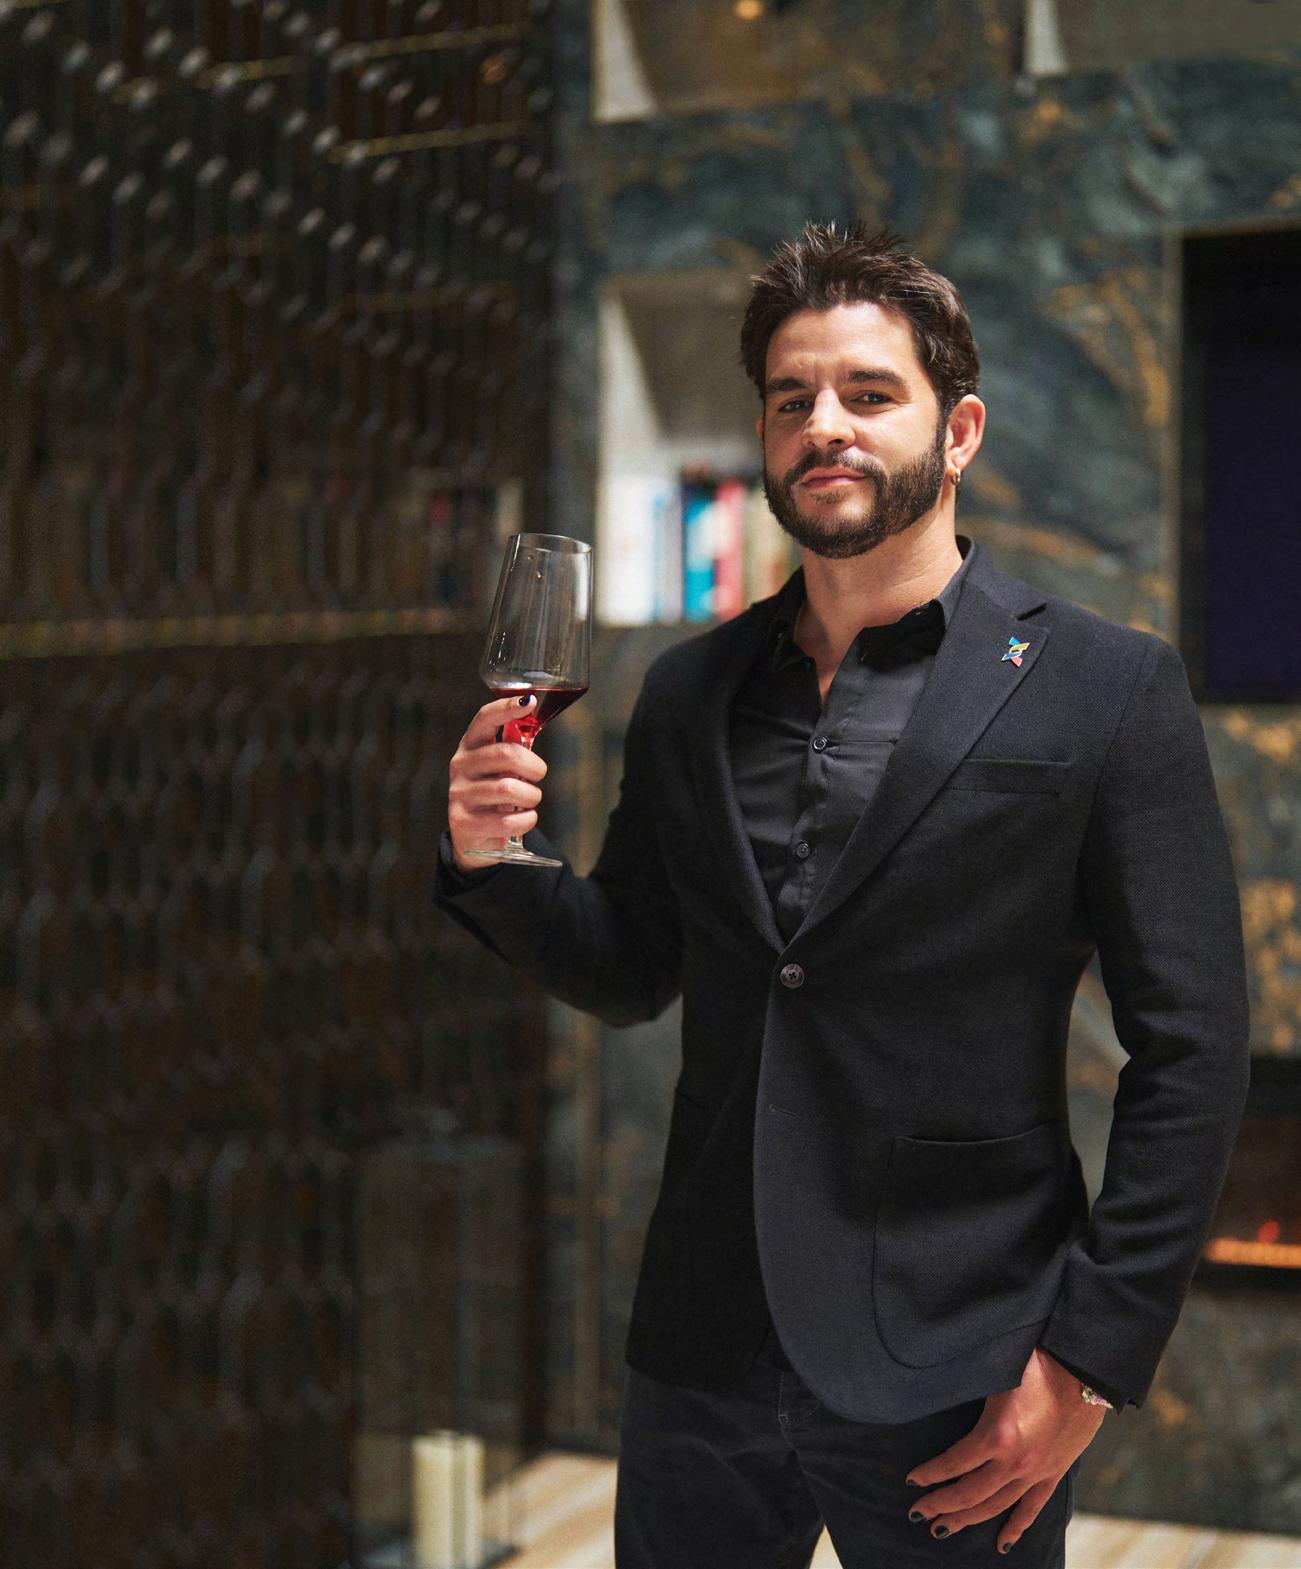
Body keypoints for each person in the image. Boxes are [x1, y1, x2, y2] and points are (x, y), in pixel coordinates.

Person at [434, 222, 1250, 1567]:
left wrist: (1088, 1360)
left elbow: (1194, 1046)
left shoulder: (1105, 686)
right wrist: (494, 866)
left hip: (961, 1353)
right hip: (703, 1345)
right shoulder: (688, 691)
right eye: (790, 400)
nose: (825, 425)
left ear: (958, 429)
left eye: (869, 393)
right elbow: (631, 964)